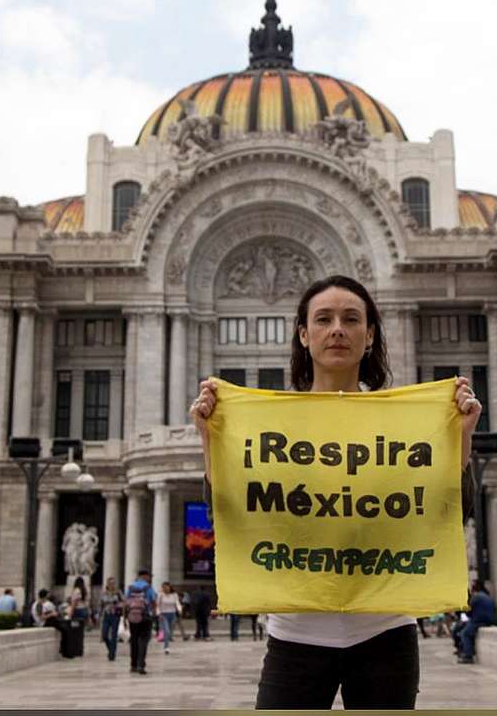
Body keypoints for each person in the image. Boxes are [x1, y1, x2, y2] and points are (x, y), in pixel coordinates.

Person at [190, 275, 481, 710]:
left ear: (370, 335)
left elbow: (447, 516)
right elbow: (229, 516)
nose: (337, 329)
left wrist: (460, 438)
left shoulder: (404, 424)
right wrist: (210, 440)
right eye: (323, 319)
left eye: (351, 319)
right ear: (305, 335)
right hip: (295, 638)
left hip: (386, 634)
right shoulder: (273, 426)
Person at [125, 569, 158, 674]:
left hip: (132, 616)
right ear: (144, 576)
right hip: (145, 616)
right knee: (143, 640)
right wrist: (154, 614)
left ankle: (133, 665)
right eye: (149, 576)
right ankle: (141, 665)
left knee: (133, 640)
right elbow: (153, 601)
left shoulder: (130, 587)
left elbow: (126, 603)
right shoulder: (148, 587)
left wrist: (126, 616)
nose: (150, 579)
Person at [457, 580, 495, 664]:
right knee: (467, 630)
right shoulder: (486, 596)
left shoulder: (476, 597)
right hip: (489, 620)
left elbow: (468, 611)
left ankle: (468, 655)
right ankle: (468, 650)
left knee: (464, 633)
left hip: (479, 621)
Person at [99, 577, 124, 661]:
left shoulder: (118, 593)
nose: (112, 585)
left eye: (113, 583)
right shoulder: (104, 593)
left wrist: (119, 605)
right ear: (107, 584)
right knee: (104, 635)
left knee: (114, 635)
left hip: (115, 615)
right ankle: (111, 649)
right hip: (106, 615)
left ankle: (112, 654)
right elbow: (101, 604)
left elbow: (124, 602)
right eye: (110, 583)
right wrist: (99, 615)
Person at [157, 581, 182, 653]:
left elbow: (177, 603)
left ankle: (167, 641)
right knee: (166, 631)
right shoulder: (160, 595)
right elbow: (157, 605)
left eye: (166, 587)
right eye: (163, 587)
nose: (165, 588)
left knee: (170, 632)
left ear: (169, 587)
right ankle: (166, 647)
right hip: (163, 615)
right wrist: (159, 614)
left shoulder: (174, 595)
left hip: (172, 614)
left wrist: (179, 610)